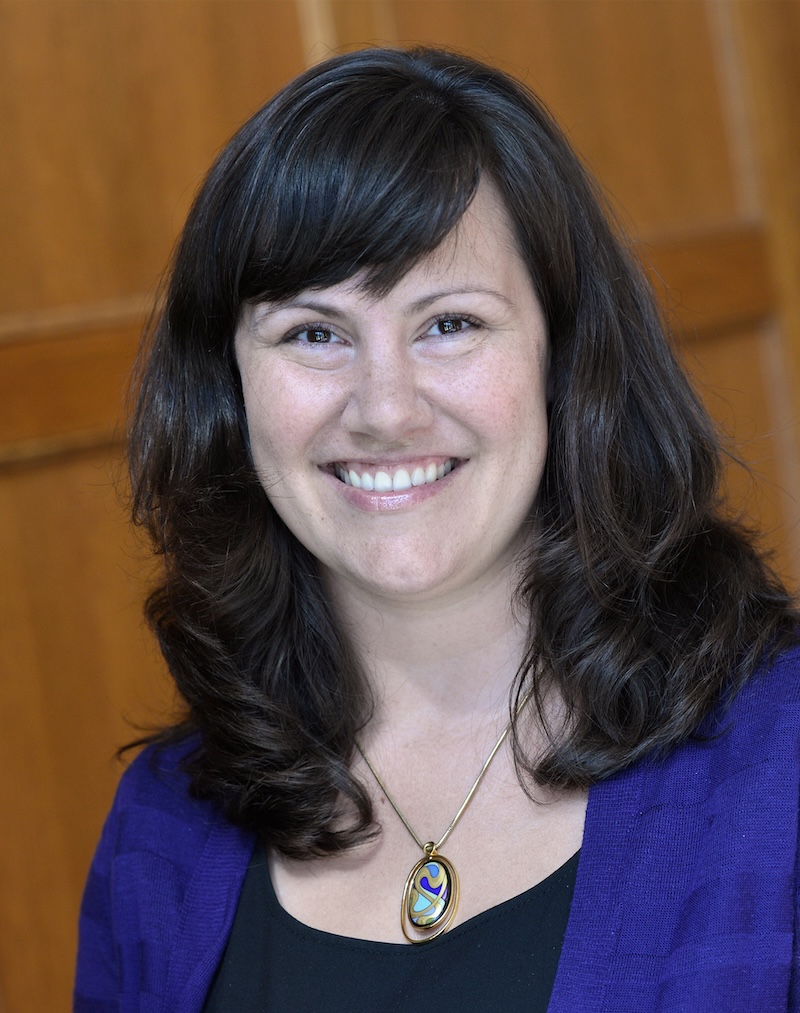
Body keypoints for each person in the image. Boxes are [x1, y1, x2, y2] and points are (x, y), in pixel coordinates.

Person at [74, 46, 800, 1011]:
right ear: (230, 391)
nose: (385, 408)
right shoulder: (161, 829)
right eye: (314, 333)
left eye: (449, 322)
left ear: (563, 355)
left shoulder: (779, 766)